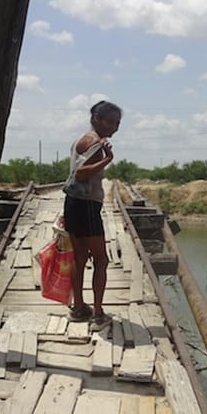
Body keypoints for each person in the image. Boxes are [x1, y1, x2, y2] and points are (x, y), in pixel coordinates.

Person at [63, 100, 122, 330]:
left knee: (79, 257)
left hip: (73, 203)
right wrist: (107, 160)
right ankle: (98, 314)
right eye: (110, 121)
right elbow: (80, 174)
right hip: (87, 206)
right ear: (97, 119)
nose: (115, 127)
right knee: (101, 259)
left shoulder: (82, 139)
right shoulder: (97, 144)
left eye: (117, 123)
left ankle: (79, 308)